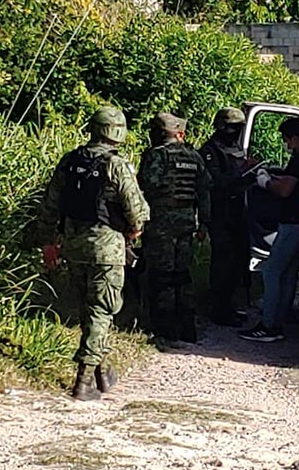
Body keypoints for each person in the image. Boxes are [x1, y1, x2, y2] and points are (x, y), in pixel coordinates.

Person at [37, 106, 150, 401]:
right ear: (118, 132)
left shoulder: (70, 161)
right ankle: (83, 381)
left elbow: (50, 205)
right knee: (101, 311)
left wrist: (48, 241)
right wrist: (136, 230)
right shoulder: (117, 165)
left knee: (89, 311)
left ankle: (102, 372)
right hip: (107, 250)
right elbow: (136, 210)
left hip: (73, 247)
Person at [138, 112, 212, 344]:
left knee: (162, 274)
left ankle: (165, 329)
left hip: (161, 223)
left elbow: (147, 184)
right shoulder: (194, 156)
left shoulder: (156, 155)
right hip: (187, 222)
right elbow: (204, 191)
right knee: (182, 274)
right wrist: (204, 223)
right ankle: (187, 326)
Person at [240, 117, 299, 343]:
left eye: (287, 140)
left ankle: (268, 325)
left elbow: (285, 190)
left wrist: (264, 181)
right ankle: (280, 319)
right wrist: (271, 175)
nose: (286, 145)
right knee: (288, 274)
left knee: (271, 271)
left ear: (296, 138)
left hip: (291, 223)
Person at [200, 107, 255, 327]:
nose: (236, 132)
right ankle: (219, 309)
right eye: (233, 127)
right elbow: (215, 182)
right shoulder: (210, 151)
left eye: (239, 127)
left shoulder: (235, 148)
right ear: (222, 127)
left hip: (237, 211)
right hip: (220, 213)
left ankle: (229, 305)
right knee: (223, 262)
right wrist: (242, 171)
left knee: (238, 261)